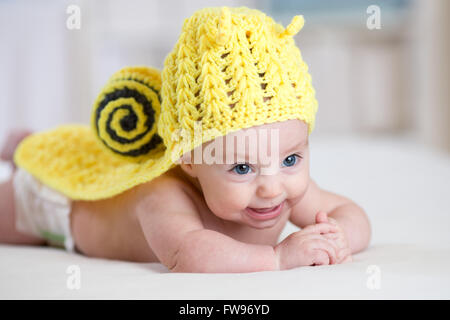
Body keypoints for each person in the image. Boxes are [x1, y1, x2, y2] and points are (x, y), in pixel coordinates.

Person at [0, 6, 371, 273]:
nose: (272, 188)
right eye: (242, 167)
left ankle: (24, 146)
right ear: (188, 158)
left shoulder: (287, 192)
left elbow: (353, 216)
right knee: (48, 176)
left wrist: (337, 236)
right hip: (55, 207)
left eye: (291, 160)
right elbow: (187, 254)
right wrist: (278, 258)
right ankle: (29, 152)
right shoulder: (163, 196)